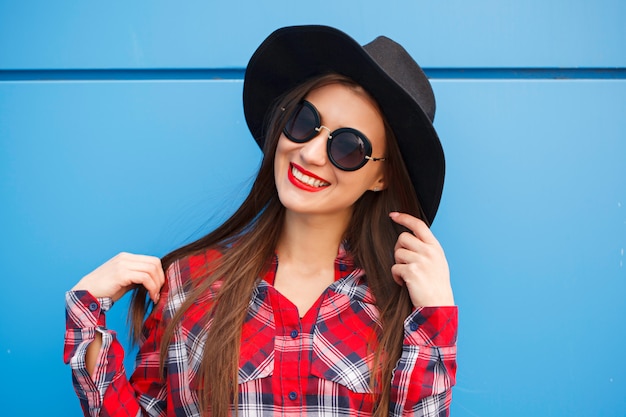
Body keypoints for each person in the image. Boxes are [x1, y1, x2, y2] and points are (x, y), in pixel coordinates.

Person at [64, 25, 457, 417]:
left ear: (381, 176)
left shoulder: (398, 308)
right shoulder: (189, 283)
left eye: (349, 147)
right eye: (305, 123)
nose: (312, 154)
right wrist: (87, 312)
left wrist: (435, 315)